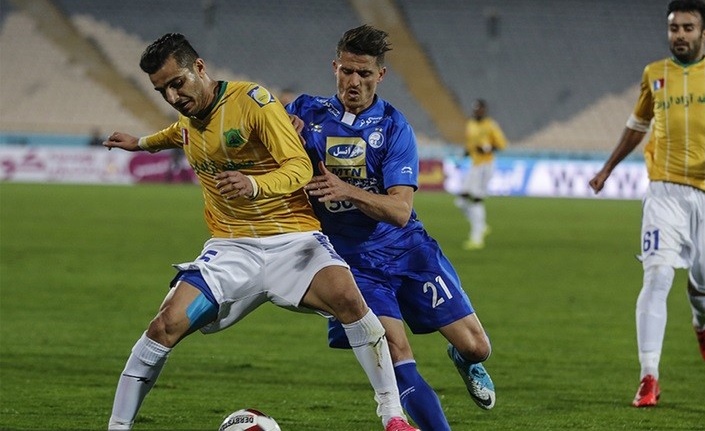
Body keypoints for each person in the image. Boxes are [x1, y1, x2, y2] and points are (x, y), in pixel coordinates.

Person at [103, 33, 417, 431]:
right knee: (164, 325)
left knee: (350, 301)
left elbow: (299, 167)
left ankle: (393, 417)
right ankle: (117, 427)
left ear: (199, 68)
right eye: (162, 90)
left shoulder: (253, 102)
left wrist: (255, 184)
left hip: (294, 241)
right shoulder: (190, 114)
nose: (172, 96)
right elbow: (178, 132)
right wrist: (141, 143)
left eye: (177, 83)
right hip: (231, 248)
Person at [285, 25, 496, 431]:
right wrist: (277, 132)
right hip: (351, 262)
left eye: (364, 74)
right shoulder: (305, 113)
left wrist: (345, 189)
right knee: (396, 352)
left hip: (407, 249)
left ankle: (463, 359)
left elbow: (400, 210)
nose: (354, 82)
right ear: (335, 67)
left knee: (477, 346)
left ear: (380, 75)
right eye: (347, 71)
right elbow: (258, 132)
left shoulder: (395, 128)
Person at [589, 0, 705, 408]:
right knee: (656, 277)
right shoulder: (654, 75)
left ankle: (703, 323)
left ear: (704, 34)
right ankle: (648, 376)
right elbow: (636, 127)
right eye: (674, 28)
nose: (680, 35)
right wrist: (607, 169)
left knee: (703, 288)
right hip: (664, 192)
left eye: (688, 28)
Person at [454, 99, 507, 250]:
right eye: (475, 109)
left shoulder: (491, 125)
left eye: (479, 109)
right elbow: (470, 145)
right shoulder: (471, 124)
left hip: (485, 165)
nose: (477, 112)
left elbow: (501, 144)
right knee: (461, 201)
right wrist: (462, 156)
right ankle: (481, 225)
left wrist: (487, 148)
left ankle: (476, 238)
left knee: (476, 199)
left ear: (484, 110)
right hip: (474, 165)